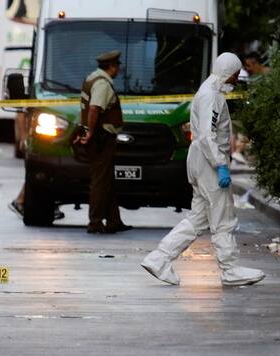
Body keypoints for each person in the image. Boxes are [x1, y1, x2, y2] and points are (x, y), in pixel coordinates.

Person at [141, 52, 265, 287]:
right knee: (223, 218)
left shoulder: (208, 92)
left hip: (199, 161)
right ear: (228, 72)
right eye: (235, 75)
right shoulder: (211, 97)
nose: (236, 79)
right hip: (209, 164)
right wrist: (220, 165)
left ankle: (159, 259)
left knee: (197, 219)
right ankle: (230, 269)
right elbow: (208, 136)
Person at [74, 50, 131, 234]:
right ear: (111, 67)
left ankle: (114, 220)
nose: (118, 70)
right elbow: (94, 109)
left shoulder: (92, 78)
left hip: (99, 136)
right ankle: (95, 222)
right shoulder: (102, 84)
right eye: (117, 67)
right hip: (102, 137)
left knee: (106, 179)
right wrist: (90, 132)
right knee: (100, 180)